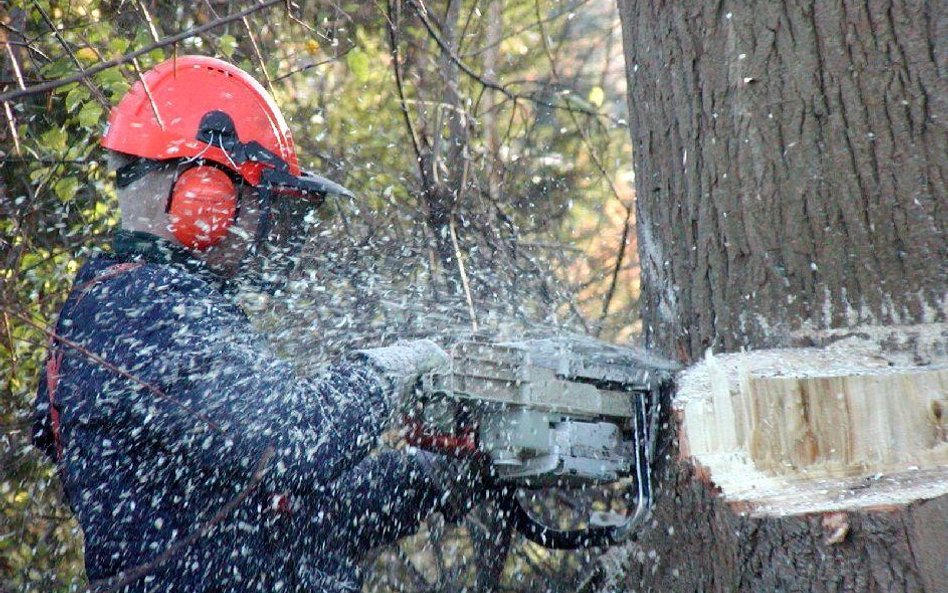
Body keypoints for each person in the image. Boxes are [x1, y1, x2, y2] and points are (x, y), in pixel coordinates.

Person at [32, 55, 490, 593]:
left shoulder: (146, 306)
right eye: (258, 203)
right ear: (207, 198)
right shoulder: (142, 309)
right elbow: (293, 441)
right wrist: (395, 370)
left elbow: (293, 519)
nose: (267, 229)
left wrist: (433, 476)